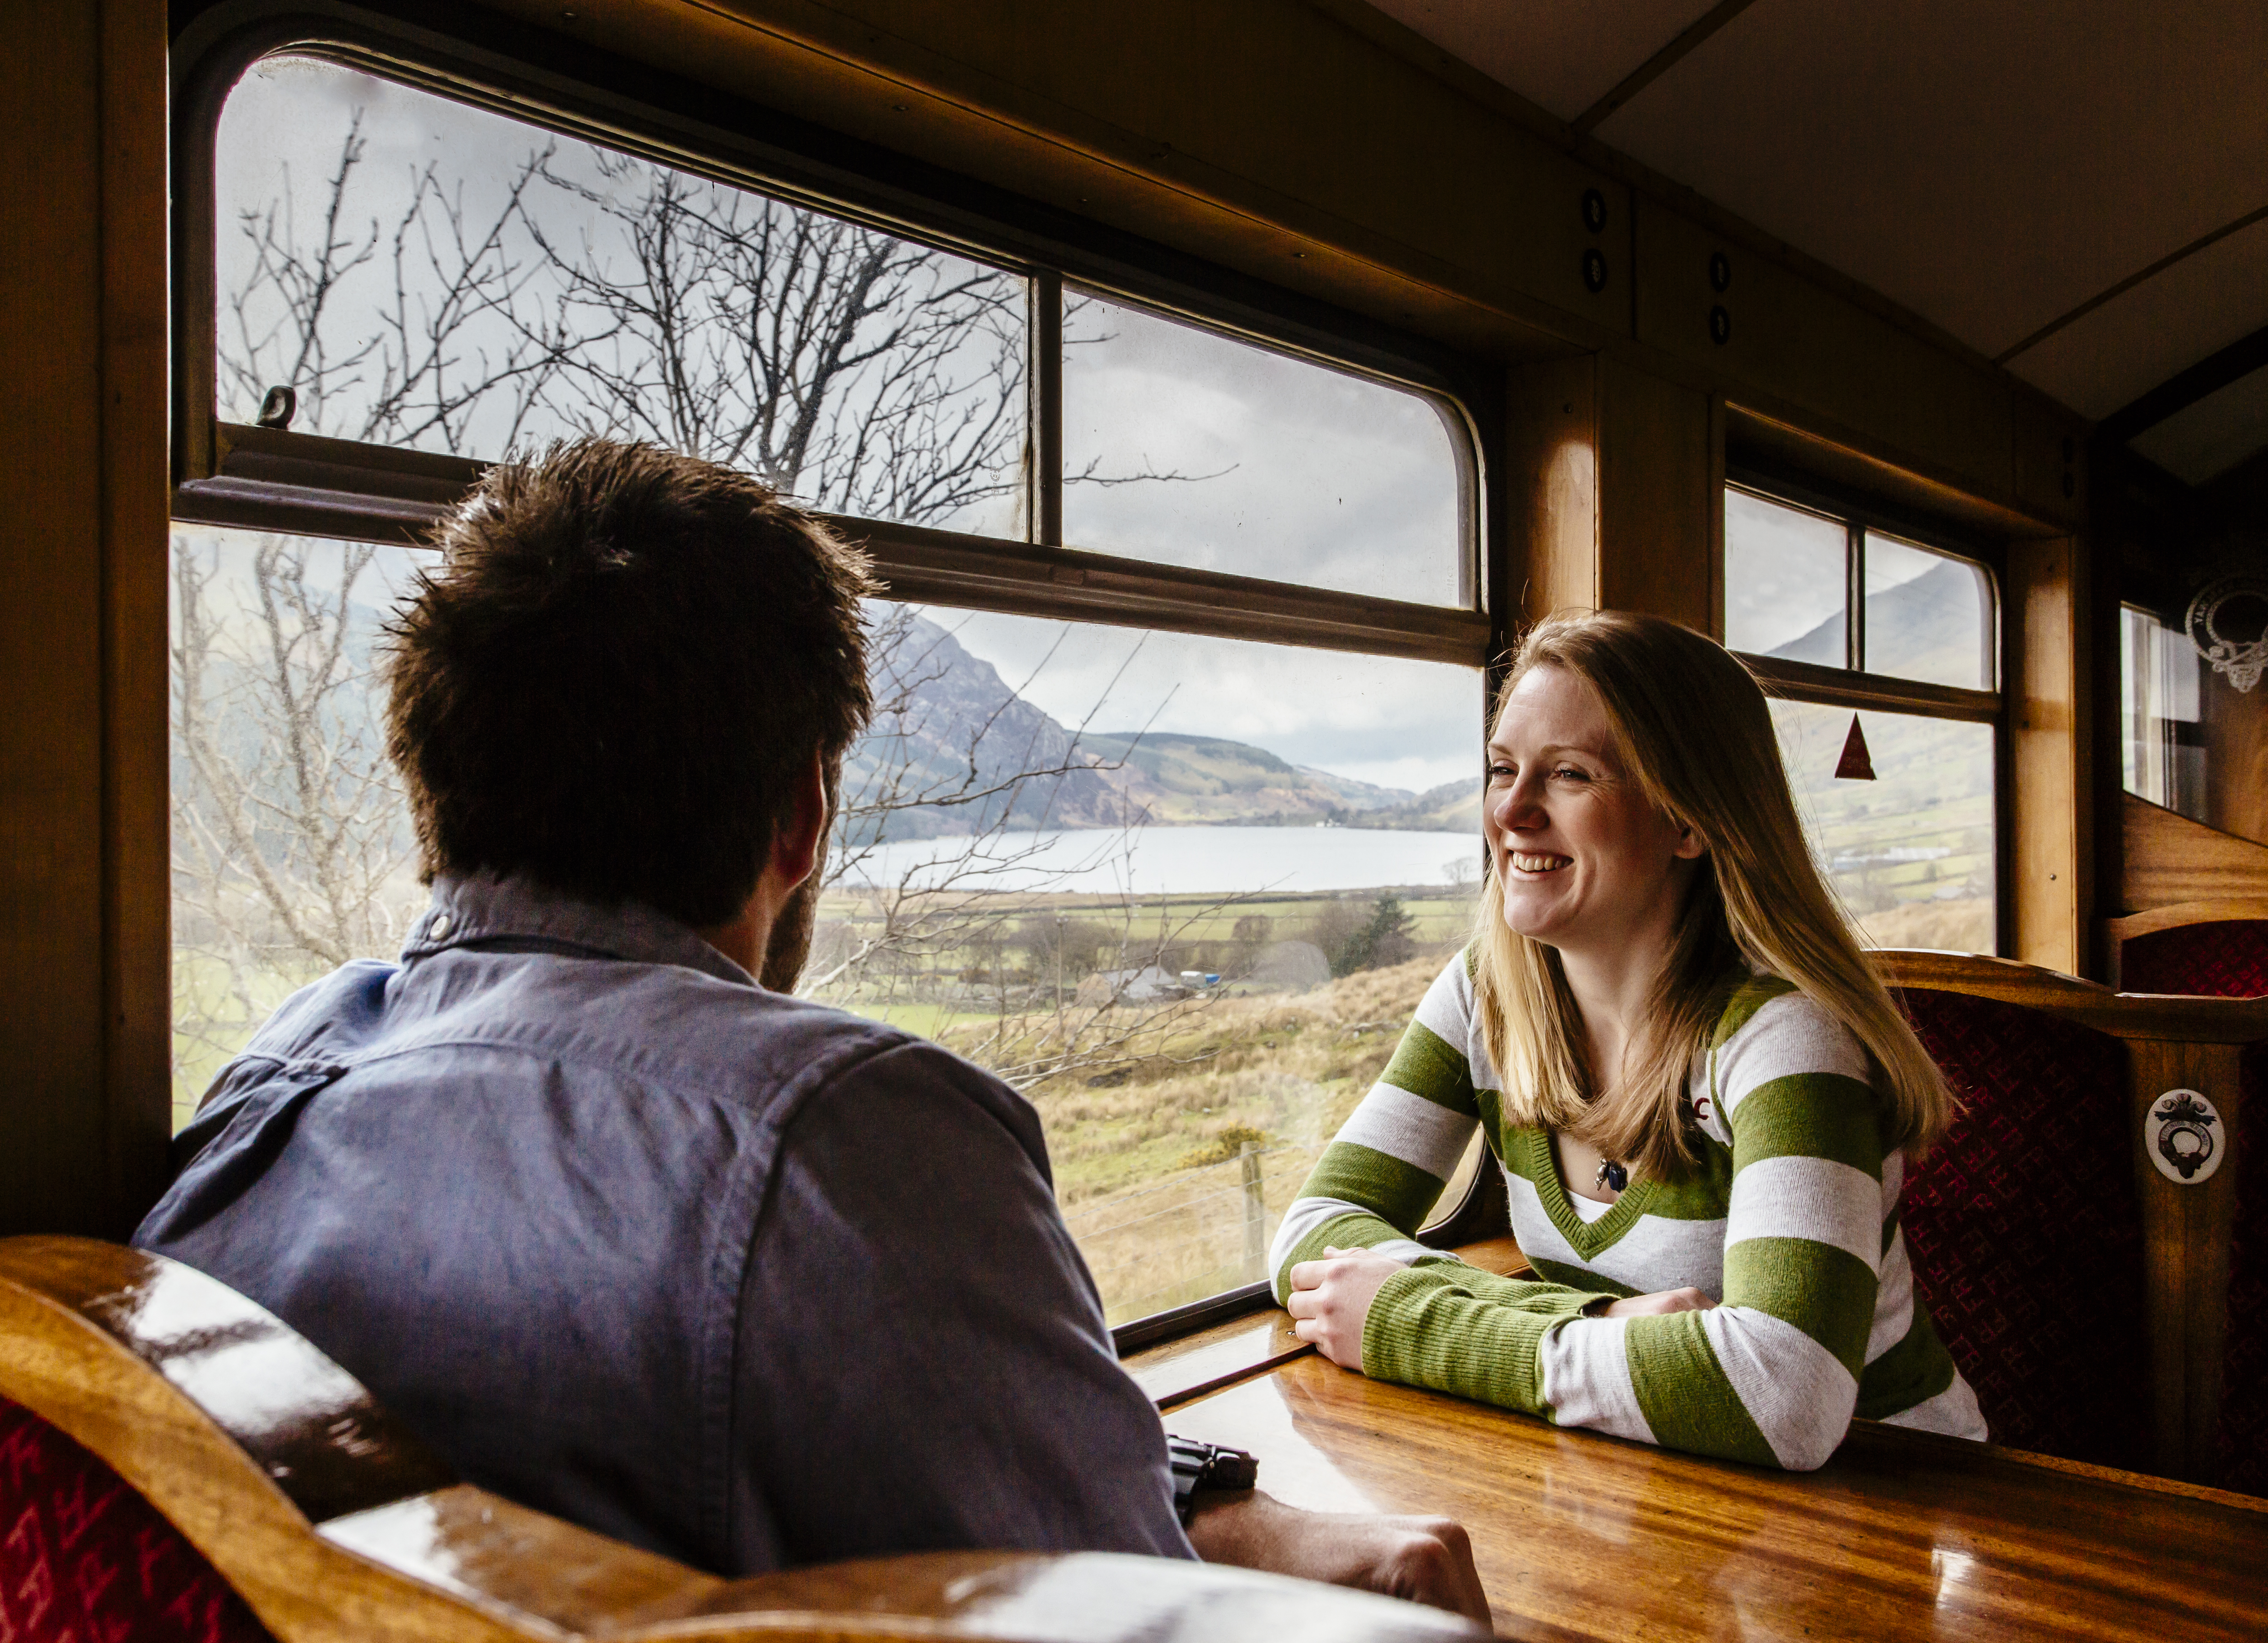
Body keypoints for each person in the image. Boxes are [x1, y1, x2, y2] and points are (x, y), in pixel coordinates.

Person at [135, 440, 1487, 1621]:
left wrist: (1193, 1493)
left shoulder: (284, 1075)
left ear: (434, 777)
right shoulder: (840, 1134)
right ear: (802, 816)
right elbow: (1125, 1614)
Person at [1277, 610, 1986, 1471]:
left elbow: (1786, 1399)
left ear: (1689, 819)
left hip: (1897, 1503)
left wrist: (1411, 1320)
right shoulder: (1486, 995)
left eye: (1569, 775)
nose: (1510, 810)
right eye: (1503, 770)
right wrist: (1594, 1325)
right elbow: (1315, 1228)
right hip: (1656, 1474)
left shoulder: (1788, 1037)